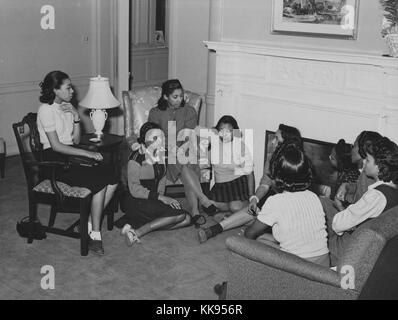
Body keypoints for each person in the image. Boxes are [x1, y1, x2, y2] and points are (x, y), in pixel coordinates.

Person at [37, 71, 118, 255]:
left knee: (113, 176)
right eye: (68, 87)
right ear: (55, 90)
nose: (72, 90)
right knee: (100, 180)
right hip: (54, 162)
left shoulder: (65, 107)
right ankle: (95, 235)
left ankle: (88, 223)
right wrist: (86, 154)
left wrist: (75, 117)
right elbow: (56, 146)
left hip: (69, 155)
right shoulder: (46, 110)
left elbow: (75, 140)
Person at [197, 127, 303, 244]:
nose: (273, 142)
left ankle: (253, 227)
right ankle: (213, 230)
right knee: (251, 210)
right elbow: (265, 184)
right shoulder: (272, 157)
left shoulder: (298, 162)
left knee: (253, 227)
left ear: (286, 142)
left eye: (276, 138)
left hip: (289, 205)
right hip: (272, 197)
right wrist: (254, 199)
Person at [244, 145, 330, 267]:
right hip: (323, 265)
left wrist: (249, 227)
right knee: (263, 238)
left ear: (277, 176)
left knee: (247, 243)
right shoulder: (313, 196)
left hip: (296, 267)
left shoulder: (275, 201)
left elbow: (250, 234)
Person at [148, 79, 217, 227]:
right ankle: (200, 205)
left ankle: (196, 211)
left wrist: (182, 148)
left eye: (181, 95)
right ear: (165, 97)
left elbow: (189, 134)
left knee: (186, 162)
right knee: (183, 163)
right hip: (164, 151)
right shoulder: (155, 113)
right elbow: (153, 135)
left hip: (185, 148)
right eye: (175, 97)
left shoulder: (189, 111)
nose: (180, 99)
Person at [325, 137, 398, 265]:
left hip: (351, 253)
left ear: (379, 167)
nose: (364, 162)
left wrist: (340, 207)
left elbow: (339, 224)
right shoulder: (392, 191)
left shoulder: (376, 196)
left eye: (368, 160)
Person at [119, 122, 191, 245]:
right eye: (155, 138)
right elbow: (135, 189)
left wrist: (160, 201)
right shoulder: (135, 159)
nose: (160, 141)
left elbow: (161, 181)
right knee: (180, 216)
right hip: (136, 200)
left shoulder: (161, 154)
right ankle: (138, 232)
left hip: (153, 199)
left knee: (187, 219)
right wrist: (161, 198)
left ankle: (139, 225)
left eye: (162, 137)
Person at [329, 139, 360, 210]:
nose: (329, 158)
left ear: (341, 162)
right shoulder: (340, 173)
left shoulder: (351, 176)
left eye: (332, 158)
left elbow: (341, 200)